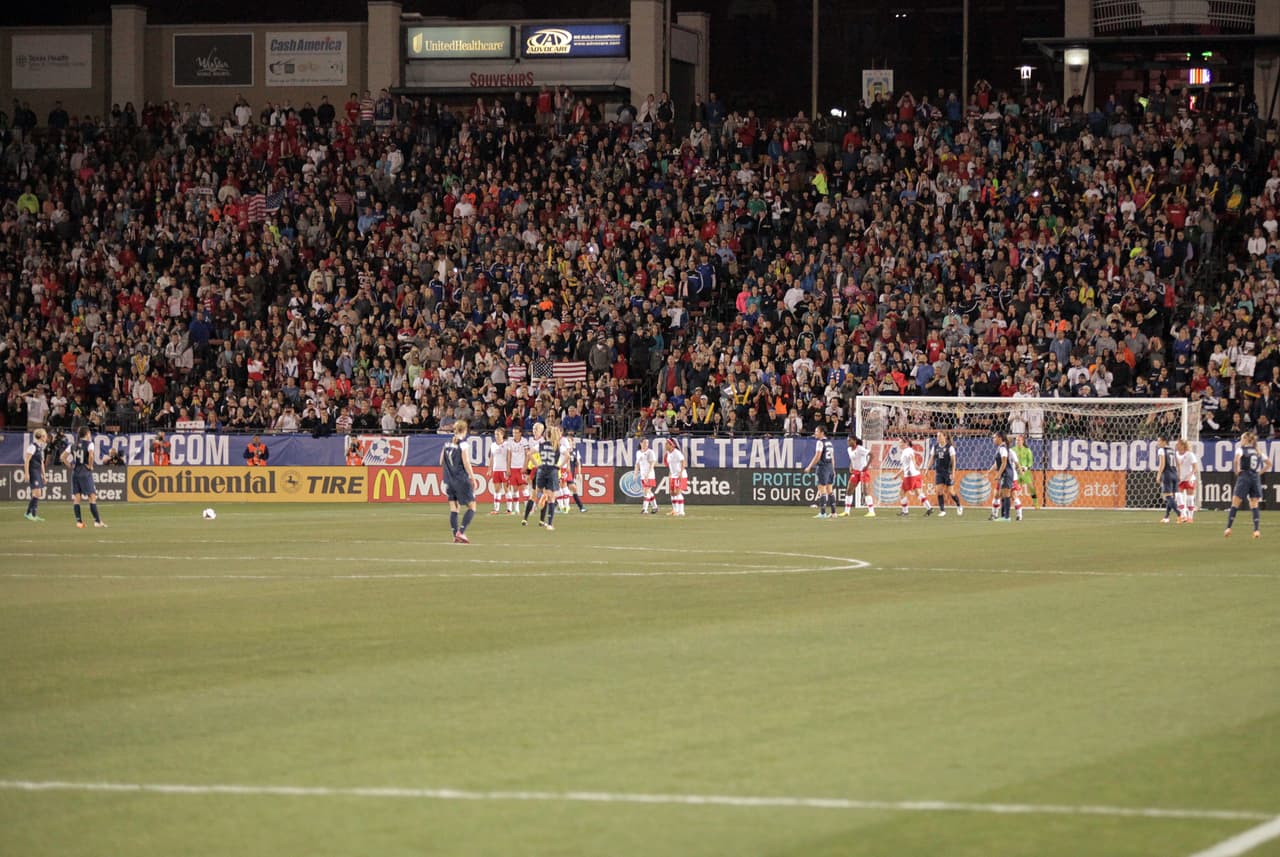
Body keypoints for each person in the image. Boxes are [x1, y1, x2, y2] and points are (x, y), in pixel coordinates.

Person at [1224, 430, 1268, 539]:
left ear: (1246, 440)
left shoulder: (1241, 449)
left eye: (1242, 438)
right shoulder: (1257, 451)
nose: (1240, 440)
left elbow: (1236, 460)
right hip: (1255, 477)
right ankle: (1256, 530)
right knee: (1254, 504)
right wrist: (1259, 473)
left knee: (1235, 502)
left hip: (1244, 476)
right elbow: (1269, 463)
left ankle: (1229, 528)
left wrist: (1237, 470)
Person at [441, 420, 477, 543]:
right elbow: (466, 462)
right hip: (460, 479)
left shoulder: (447, 443)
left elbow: (441, 461)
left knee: (454, 508)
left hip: (449, 480)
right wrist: (472, 477)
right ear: (465, 430)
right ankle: (461, 532)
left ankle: (454, 535)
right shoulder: (463, 444)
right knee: (472, 506)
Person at [523, 423, 561, 530]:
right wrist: (559, 466)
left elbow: (529, 454)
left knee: (536, 492)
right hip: (552, 471)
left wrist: (537, 464)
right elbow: (567, 455)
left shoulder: (540, 445)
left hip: (540, 470)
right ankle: (549, 524)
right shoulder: (557, 446)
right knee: (552, 499)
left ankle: (540, 496)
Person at [67, 426, 106, 529]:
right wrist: (90, 465)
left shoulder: (72, 445)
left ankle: (79, 522)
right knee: (92, 496)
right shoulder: (89, 444)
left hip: (75, 472)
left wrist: (69, 465)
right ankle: (97, 521)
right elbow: (91, 456)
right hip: (85, 472)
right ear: (87, 433)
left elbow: (62, 457)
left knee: (77, 498)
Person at [803, 425, 836, 518]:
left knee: (822, 490)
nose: (815, 433)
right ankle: (833, 513)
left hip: (823, 467)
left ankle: (822, 513)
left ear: (822, 433)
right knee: (830, 490)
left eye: (816, 431)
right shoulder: (829, 442)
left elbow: (817, 456)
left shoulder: (820, 442)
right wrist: (833, 469)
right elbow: (832, 457)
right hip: (829, 467)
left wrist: (809, 466)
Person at [840, 435, 875, 518]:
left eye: (849, 440)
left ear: (854, 441)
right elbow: (852, 459)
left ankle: (871, 511)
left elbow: (872, 455)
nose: (848, 442)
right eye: (847, 440)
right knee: (849, 490)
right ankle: (846, 511)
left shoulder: (860, 449)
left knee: (865, 491)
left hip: (863, 472)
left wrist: (867, 466)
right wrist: (851, 466)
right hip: (855, 472)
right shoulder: (849, 449)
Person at [898, 437, 932, 517]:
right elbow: (905, 465)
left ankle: (905, 511)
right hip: (916, 474)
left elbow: (911, 457)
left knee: (902, 492)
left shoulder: (907, 451)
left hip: (910, 475)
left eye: (900, 442)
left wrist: (915, 463)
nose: (899, 444)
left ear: (905, 443)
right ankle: (929, 508)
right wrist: (897, 474)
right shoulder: (908, 450)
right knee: (918, 493)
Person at [932, 430, 962, 517]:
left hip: (948, 472)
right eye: (937, 436)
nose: (938, 438)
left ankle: (959, 505)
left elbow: (954, 461)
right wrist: (927, 468)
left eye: (939, 436)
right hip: (939, 472)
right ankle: (942, 510)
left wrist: (953, 473)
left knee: (951, 492)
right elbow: (932, 458)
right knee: (938, 491)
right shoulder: (935, 447)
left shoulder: (950, 448)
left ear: (945, 436)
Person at [23, 428, 48, 522]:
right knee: (37, 493)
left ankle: (33, 514)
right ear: (41, 437)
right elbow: (27, 461)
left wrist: (44, 475)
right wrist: (26, 473)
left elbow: (42, 463)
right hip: (33, 471)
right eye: (45, 435)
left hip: (37, 471)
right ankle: (28, 513)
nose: (46, 437)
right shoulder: (32, 447)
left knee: (39, 493)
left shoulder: (41, 448)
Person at [1174, 438, 1201, 523]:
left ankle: (1190, 517)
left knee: (1189, 499)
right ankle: (1183, 515)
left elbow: (1195, 467)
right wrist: (1178, 476)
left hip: (1189, 479)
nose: (1176, 446)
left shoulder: (1190, 454)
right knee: (1178, 495)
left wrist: (1190, 476)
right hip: (1180, 479)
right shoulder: (1176, 454)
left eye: (1178, 444)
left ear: (1182, 445)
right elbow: (1178, 466)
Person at [990, 432, 1014, 522]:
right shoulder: (1000, 448)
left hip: (1006, 473)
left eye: (994, 437)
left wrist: (998, 474)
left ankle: (1006, 517)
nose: (993, 439)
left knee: (1006, 494)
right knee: (1002, 494)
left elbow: (1004, 462)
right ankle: (1004, 516)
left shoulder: (1003, 448)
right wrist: (990, 471)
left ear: (999, 438)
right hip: (1005, 473)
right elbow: (998, 463)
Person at [1011, 435, 1036, 520]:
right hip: (1016, 472)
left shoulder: (1027, 450)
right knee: (1015, 489)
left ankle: (1036, 503)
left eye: (1018, 440)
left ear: (1022, 441)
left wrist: (1027, 467)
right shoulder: (1012, 450)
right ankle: (1016, 504)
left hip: (1025, 471)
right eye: (1016, 440)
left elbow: (1031, 461)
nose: (1017, 442)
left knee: (1031, 487)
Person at [1155, 437, 1179, 523]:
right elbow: (1178, 463)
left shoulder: (1161, 450)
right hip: (1174, 474)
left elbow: (1162, 464)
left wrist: (1158, 475)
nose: (1157, 443)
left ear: (1164, 441)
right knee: (1171, 497)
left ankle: (1180, 515)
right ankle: (1166, 517)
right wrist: (1178, 474)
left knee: (1168, 496)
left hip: (1167, 474)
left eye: (1159, 441)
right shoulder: (1172, 450)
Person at [506, 426, 528, 514]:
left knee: (524, 488)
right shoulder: (510, 442)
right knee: (514, 489)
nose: (514, 434)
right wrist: (508, 468)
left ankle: (528, 508)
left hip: (521, 467)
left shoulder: (524, 441)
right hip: (513, 467)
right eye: (513, 432)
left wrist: (525, 466)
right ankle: (517, 509)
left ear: (520, 433)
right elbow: (509, 455)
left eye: (516, 432)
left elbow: (527, 455)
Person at [488, 427, 510, 515]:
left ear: (503, 435)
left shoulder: (507, 444)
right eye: (495, 434)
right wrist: (490, 468)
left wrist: (508, 468)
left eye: (498, 434)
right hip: (496, 469)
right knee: (497, 489)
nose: (496, 436)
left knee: (506, 489)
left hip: (504, 469)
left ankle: (509, 509)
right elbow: (492, 457)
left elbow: (509, 457)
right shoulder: (493, 445)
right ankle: (496, 509)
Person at [635, 437, 660, 514]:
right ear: (641, 443)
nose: (646, 444)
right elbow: (637, 464)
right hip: (643, 475)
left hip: (649, 475)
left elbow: (652, 463)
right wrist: (635, 474)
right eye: (645, 442)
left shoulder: (650, 452)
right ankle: (655, 507)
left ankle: (644, 509)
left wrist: (648, 474)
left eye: (647, 443)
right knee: (648, 491)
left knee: (646, 491)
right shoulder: (638, 452)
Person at [665, 438, 688, 516]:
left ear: (671, 445)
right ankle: (675, 510)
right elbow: (671, 466)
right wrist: (670, 475)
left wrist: (681, 473)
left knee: (677, 492)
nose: (665, 445)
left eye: (667, 444)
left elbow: (683, 462)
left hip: (679, 475)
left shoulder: (677, 452)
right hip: (673, 475)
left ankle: (681, 511)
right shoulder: (668, 453)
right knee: (672, 493)